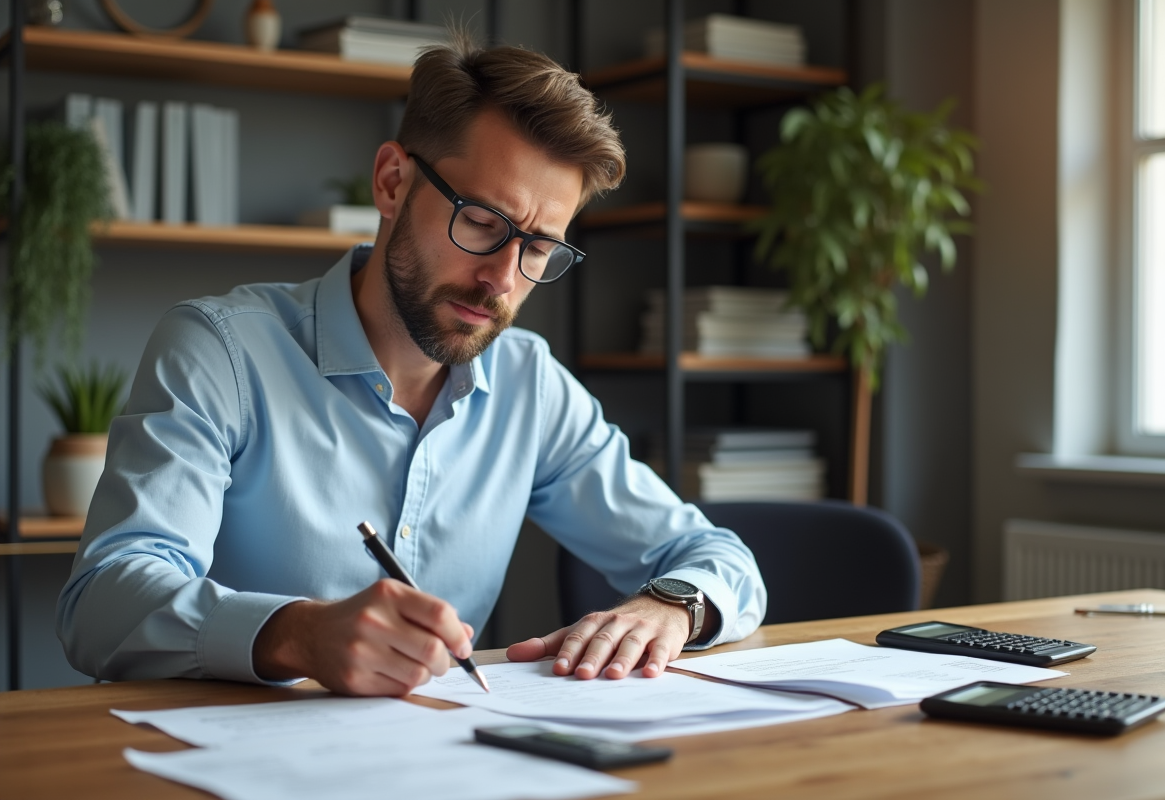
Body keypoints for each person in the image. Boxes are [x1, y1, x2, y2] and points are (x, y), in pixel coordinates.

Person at [57, 33, 766, 697]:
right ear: (393, 183)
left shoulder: (530, 384)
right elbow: (101, 603)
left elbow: (715, 556)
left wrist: (669, 607)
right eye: (481, 222)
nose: (502, 280)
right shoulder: (220, 350)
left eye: (538, 248)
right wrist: (297, 635)